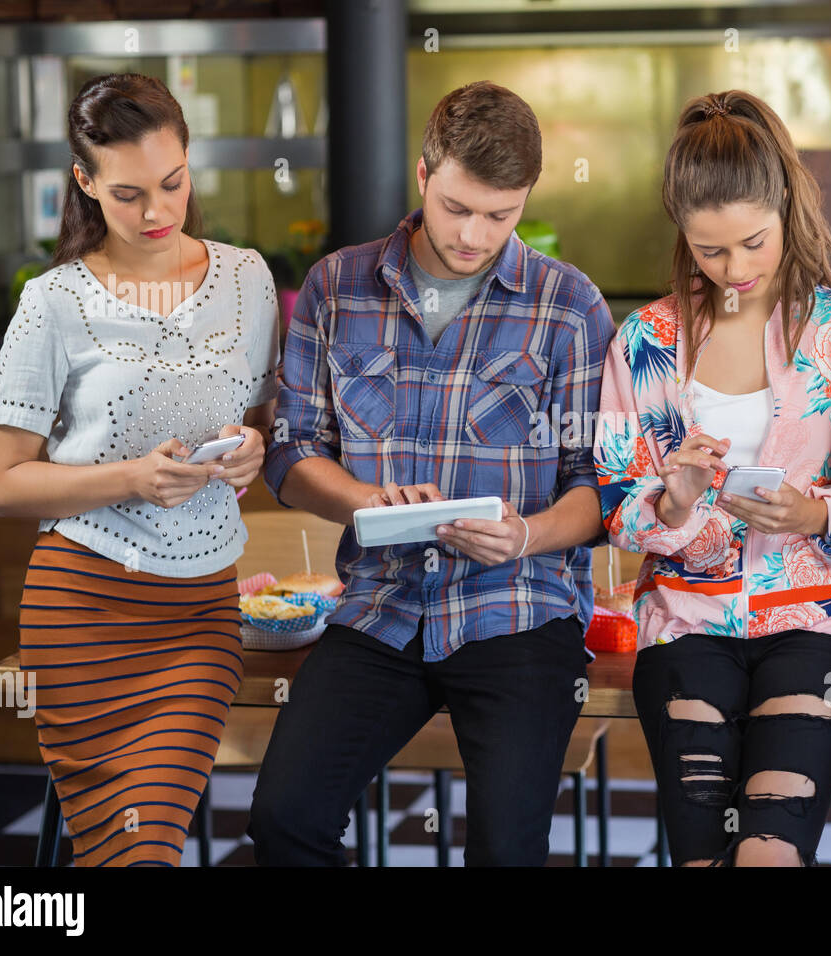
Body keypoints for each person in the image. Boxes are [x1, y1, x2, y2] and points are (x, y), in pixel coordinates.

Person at [247, 81, 615, 866]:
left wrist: (524, 536)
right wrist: (364, 499)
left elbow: (597, 486)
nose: (475, 235)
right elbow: (290, 451)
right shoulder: (335, 287)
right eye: (457, 208)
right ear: (423, 175)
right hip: (380, 604)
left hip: (517, 608)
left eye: (501, 214)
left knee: (507, 849)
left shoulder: (569, 305)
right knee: (284, 819)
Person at [0, 73, 280, 866]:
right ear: (84, 182)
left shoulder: (249, 280)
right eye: (128, 193)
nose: (156, 212)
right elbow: (4, 483)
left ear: (188, 160)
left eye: (172, 184)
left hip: (199, 618)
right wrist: (130, 478)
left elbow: (255, 426)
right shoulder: (52, 303)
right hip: (82, 610)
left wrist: (250, 451)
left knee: (143, 848)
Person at [593, 90, 831, 867]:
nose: (736, 270)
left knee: (769, 855)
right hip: (685, 625)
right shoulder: (646, 341)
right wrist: (673, 501)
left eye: (753, 243)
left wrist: (816, 519)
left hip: (816, 625)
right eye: (710, 251)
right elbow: (617, 506)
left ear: (786, 206)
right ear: (682, 231)